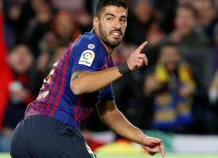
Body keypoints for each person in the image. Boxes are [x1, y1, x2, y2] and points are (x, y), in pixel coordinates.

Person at [10, 0, 165, 157]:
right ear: (96, 22)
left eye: (122, 19)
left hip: (25, 135)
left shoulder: (103, 65)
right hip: (54, 129)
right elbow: (78, 84)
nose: (117, 25)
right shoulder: (90, 42)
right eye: (110, 18)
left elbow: (109, 112)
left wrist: (141, 138)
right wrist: (125, 67)